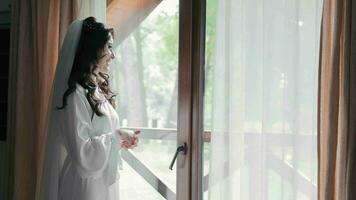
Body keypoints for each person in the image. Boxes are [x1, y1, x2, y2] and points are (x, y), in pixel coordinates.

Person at [39, 17, 139, 200]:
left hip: (101, 182)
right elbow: (82, 154)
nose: (113, 54)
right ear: (92, 50)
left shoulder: (94, 91)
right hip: (84, 188)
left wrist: (118, 141)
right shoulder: (74, 95)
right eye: (108, 47)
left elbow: (100, 136)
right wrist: (117, 135)